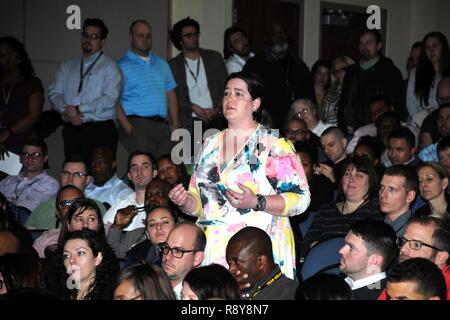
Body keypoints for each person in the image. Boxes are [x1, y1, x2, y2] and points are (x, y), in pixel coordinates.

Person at [169, 72, 311, 279]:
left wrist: (257, 201)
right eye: (226, 93)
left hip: (256, 252)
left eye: (238, 94)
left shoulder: (272, 144)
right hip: (214, 250)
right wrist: (184, 201)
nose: (229, 99)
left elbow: (301, 199)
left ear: (255, 104)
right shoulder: (210, 143)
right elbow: (200, 205)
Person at [48, 18, 123, 162]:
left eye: (94, 36)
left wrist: (79, 109)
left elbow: (110, 99)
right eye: (86, 35)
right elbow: (54, 92)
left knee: (100, 177)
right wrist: (67, 110)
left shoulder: (110, 67)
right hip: (71, 129)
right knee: (73, 175)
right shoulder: (67, 66)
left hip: (100, 130)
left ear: (102, 42)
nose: (88, 39)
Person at [117, 20, 179, 158]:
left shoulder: (162, 64)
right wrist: (128, 127)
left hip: (162, 126)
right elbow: (114, 100)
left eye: (148, 35)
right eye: (140, 35)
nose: (145, 39)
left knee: (166, 168)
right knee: (144, 169)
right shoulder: (121, 66)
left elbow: (171, 94)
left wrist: (175, 123)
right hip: (137, 125)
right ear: (131, 37)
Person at [169, 17, 228, 154]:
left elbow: (226, 86)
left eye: (195, 34)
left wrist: (218, 108)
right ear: (180, 40)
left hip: (216, 117)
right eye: (189, 35)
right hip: (190, 120)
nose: (194, 38)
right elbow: (173, 96)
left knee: (218, 159)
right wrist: (192, 107)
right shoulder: (173, 65)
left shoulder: (214, 58)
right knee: (192, 162)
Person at [243, 23, 314, 129]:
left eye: (282, 33)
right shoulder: (255, 64)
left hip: (297, 122)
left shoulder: (299, 64)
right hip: (268, 123)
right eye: (275, 34)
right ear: (267, 38)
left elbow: (309, 94)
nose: (279, 37)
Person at [304, 156, 383, 248]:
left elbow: (374, 248)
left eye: (359, 175)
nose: (351, 179)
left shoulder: (376, 210)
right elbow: (307, 243)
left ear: (371, 181)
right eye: (347, 174)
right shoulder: (326, 210)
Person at [338, 29, 404, 134]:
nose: (364, 47)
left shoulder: (390, 72)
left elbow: (397, 105)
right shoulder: (351, 71)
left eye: (369, 43)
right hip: (349, 131)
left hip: (376, 131)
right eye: (361, 43)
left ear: (378, 46)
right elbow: (343, 102)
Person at [25, 155, 107, 230]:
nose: (70, 179)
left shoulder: (96, 207)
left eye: (77, 174)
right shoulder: (42, 208)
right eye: (66, 173)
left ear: (88, 180)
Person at [226, 226, 298, 300]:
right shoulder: (235, 291)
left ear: (261, 262)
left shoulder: (290, 293)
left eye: (236, 262)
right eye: (229, 262)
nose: (231, 269)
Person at [0, 37, 44, 157]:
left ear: (18, 54)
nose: (7, 58)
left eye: (9, 52)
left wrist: (8, 133)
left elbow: (34, 116)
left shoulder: (32, 83)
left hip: (24, 142)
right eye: (2, 55)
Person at [53, 228, 119, 300]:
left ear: (97, 258)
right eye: (67, 255)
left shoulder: (113, 294)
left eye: (80, 253)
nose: (71, 260)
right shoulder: (56, 292)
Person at [339, 219, 397, 300]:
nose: (341, 251)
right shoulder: (337, 282)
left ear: (375, 260)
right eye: (345, 243)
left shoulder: (385, 296)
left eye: (351, 247)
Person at [103, 151, 157, 231]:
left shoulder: (161, 203)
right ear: (129, 176)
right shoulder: (121, 204)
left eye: (145, 167)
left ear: (154, 173)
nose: (139, 172)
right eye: (134, 168)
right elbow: (104, 231)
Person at [0, 137, 59, 212]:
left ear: (45, 158)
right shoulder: (9, 179)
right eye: (26, 154)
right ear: (20, 158)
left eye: (36, 154)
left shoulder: (50, 184)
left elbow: (27, 209)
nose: (30, 158)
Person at [107, 204, 177, 265]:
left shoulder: (186, 253)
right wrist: (117, 226)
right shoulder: (136, 254)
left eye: (165, 222)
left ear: (177, 226)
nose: (158, 227)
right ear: (147, 233)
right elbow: (113, 253)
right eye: (152, 224)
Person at [406, 32, 450, 122]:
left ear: (443, 47)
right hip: (419, 122)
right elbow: (411, 103)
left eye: (435, 46)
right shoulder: (416, 73)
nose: (431, 50)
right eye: (427, 48)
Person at [32, 185, 85, 258]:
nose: (73, 206)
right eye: (66, 203)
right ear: (58, 212)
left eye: (78, 201)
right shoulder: (46, 239)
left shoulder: (101, 233)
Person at [160, 222, 206, 299]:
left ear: (197, 258)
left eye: (178, 251)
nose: (167, 257)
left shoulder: (200, 296)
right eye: (166, 248)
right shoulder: (149, 283)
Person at [379, 165, 419, 237]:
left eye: (392, 189)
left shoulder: (416, 233)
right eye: (382, 187)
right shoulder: (373, 222)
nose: (382, 194)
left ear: (410, 196)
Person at [321, 56, 354, 126]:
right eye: (336, 71)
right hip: (330, 130)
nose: (339, 74)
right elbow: (324, 117)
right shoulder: (330, 94)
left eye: (342, 70)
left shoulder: (356, 90)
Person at [420, 77, 450, 149]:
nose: (444, 102)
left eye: (448, 98)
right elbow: (426, 154)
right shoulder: (431, 120)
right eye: (440, 99)